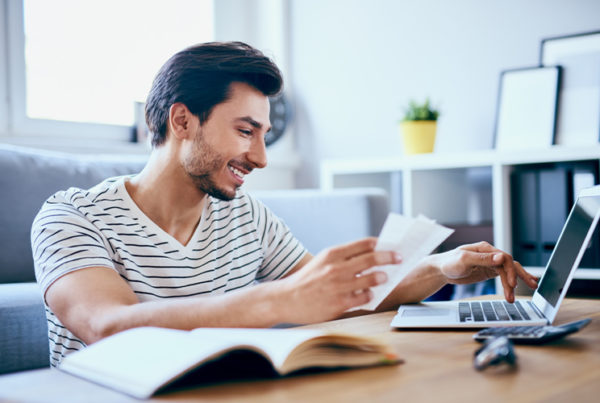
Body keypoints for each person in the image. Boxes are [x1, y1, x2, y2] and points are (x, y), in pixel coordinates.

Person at [31, 42, 538, 367]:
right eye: (245, 131)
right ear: (181, 121)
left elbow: (339, 294)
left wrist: (441, 268)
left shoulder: (245, 215)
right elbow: (104, 326)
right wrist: (279, 300)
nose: (261, 157)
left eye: (265, 135)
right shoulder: (71, 216)